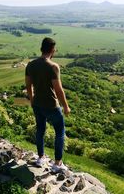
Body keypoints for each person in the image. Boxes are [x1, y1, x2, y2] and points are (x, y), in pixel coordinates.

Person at [25, 37, 71, 172]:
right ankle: (57, 163)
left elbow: (28, 85)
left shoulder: (30, 65)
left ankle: (40, 158)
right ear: (52, 50)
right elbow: (58, 90)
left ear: (41, 49)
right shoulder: (53, 66)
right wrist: (66, 107)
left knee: (40, 130)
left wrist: (32, 99)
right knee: (60, 132)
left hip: (37, 104)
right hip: (51, 105)